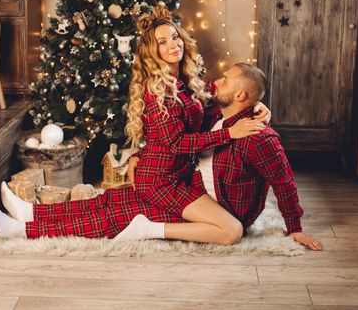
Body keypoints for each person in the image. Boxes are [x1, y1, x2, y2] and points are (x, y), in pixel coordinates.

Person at [0, 6, 270, 245]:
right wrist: (228, 134)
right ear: (153, 51)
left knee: (110, 205)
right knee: (115, 219)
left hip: (171, 174)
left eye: (174, 37)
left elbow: (216, 95)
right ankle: (26, 230)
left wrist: (256, 104)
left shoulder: (186, 80)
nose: (173, 44)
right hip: (162, 180)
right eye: (162, 42)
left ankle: (32, 215)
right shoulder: (159, 89)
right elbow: (177, 143)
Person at [129, 63, 323, 250]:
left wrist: (295, 228)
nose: (216, 82)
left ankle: (149, 229)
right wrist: (140, 155)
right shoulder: (214, 116)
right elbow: (172, 136)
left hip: (220, 212)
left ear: (239, 94)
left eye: (225, 80)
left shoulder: (259, 138)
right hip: (187, 189)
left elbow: (284, 182)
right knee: (119, 207)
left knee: (126, 217)